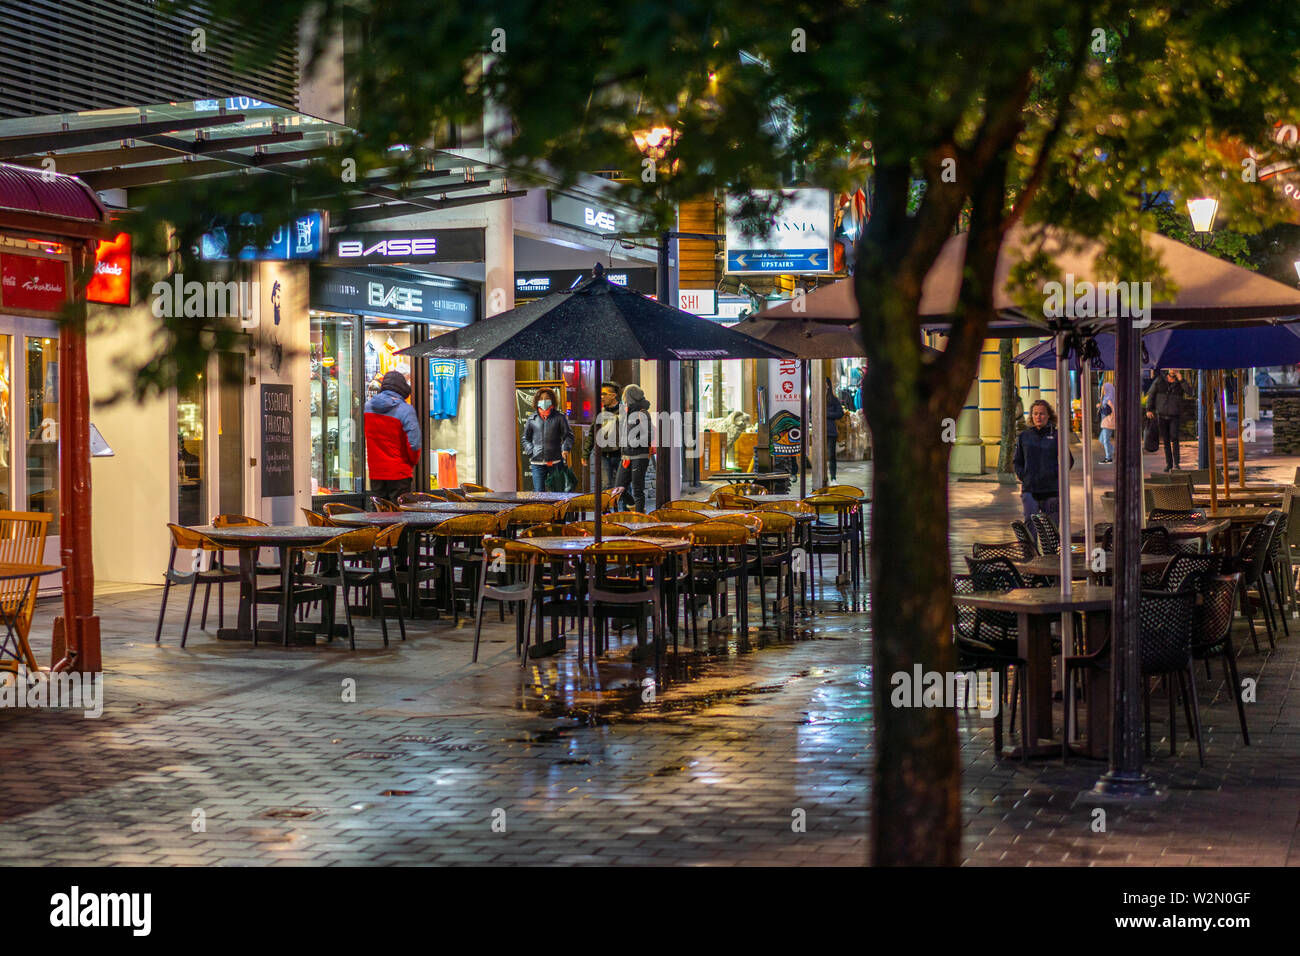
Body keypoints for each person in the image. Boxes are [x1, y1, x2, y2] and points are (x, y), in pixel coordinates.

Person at [1013, 399, 1073, 545]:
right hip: (1030, 490)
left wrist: (1055, 474)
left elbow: (1068, 460)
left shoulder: (1057, 436)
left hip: (1052, 491)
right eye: (1035, 414)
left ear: (1048, 416)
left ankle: (1050, 556)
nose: (1038, 417)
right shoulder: (1024, 437)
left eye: (1042, 414)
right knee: (1030, 523)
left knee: (1051, 528)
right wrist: (1024, 476)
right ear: (1031, 416)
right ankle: (1032, 556)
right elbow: (1017, 461)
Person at [364, 370, 421, 503]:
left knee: (379, 512)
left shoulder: (368, 407)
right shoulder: (406, 410)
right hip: (399, 472)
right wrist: (411, 463)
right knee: (400, 514)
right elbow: (414, 444)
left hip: (376, 472)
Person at [521, 386, 573, 491]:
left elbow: (568, 435)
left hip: (555, 462)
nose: (544, 401)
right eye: (541, 399)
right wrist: (532, 451)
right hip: (537, 463)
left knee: (558, 493)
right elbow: (525, 439)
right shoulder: (532, 419)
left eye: (547, 398)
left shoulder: (560, 417)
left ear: (552, 400)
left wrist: (565, 448)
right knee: (539, 493)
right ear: (537, 401)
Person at [614, 383, 653, 512]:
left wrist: (632, 441)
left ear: (630, 397)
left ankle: (640, 516)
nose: (623, 399)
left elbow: (647, 435)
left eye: (625, 396)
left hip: (639, 455)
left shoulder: (642, 413)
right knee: (619, 488)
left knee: (637, 489)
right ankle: (633, 506)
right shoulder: (626, 412)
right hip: (626, 455)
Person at [1146, 368, 1190, 471]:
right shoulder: (1160, 380)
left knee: (1175, 439)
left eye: (1176, 369)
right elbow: (1151, 395)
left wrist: (1181, 380)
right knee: (1165, 441)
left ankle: (1176, 463)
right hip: (1161, 415)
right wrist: (1149, 409)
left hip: (1174, 415)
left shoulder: (1180, 383)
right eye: (1172, 368)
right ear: (1168, 370)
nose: (1174, 370)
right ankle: (1169, 464)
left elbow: (1190, 392)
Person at [582, 381, 622, 492]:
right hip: (603, 455)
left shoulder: (624, 411)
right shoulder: (600, 412)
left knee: (622, 486)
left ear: (613, 395)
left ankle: (625, 509)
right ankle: (606, 509)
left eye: (604, 394)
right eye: (600, 394)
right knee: (605, 485)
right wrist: (586, 454)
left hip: (620, 455)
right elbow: (591, 433)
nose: (601, 397)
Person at [825, 378, 845, 482]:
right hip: (818, 433)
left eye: (825, 383)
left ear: (828, 385)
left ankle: (833, 478)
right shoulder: (814, 399)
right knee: (820, 457)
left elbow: (840, 413)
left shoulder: (833, 399)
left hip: (831, 431)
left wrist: (826, 414)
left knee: (831, 455)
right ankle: (822, 477)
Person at [1097, 381, 1117, 464]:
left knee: (1105, 440)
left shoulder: (1109, 399)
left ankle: (1108, 458)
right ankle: (1114, 451)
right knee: (1102, 439)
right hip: (1106, 422)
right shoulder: (1109, 398)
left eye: (1104, 389)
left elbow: (1107, 411)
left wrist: (1100, 407)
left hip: (1108, 422)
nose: (1103, 391)